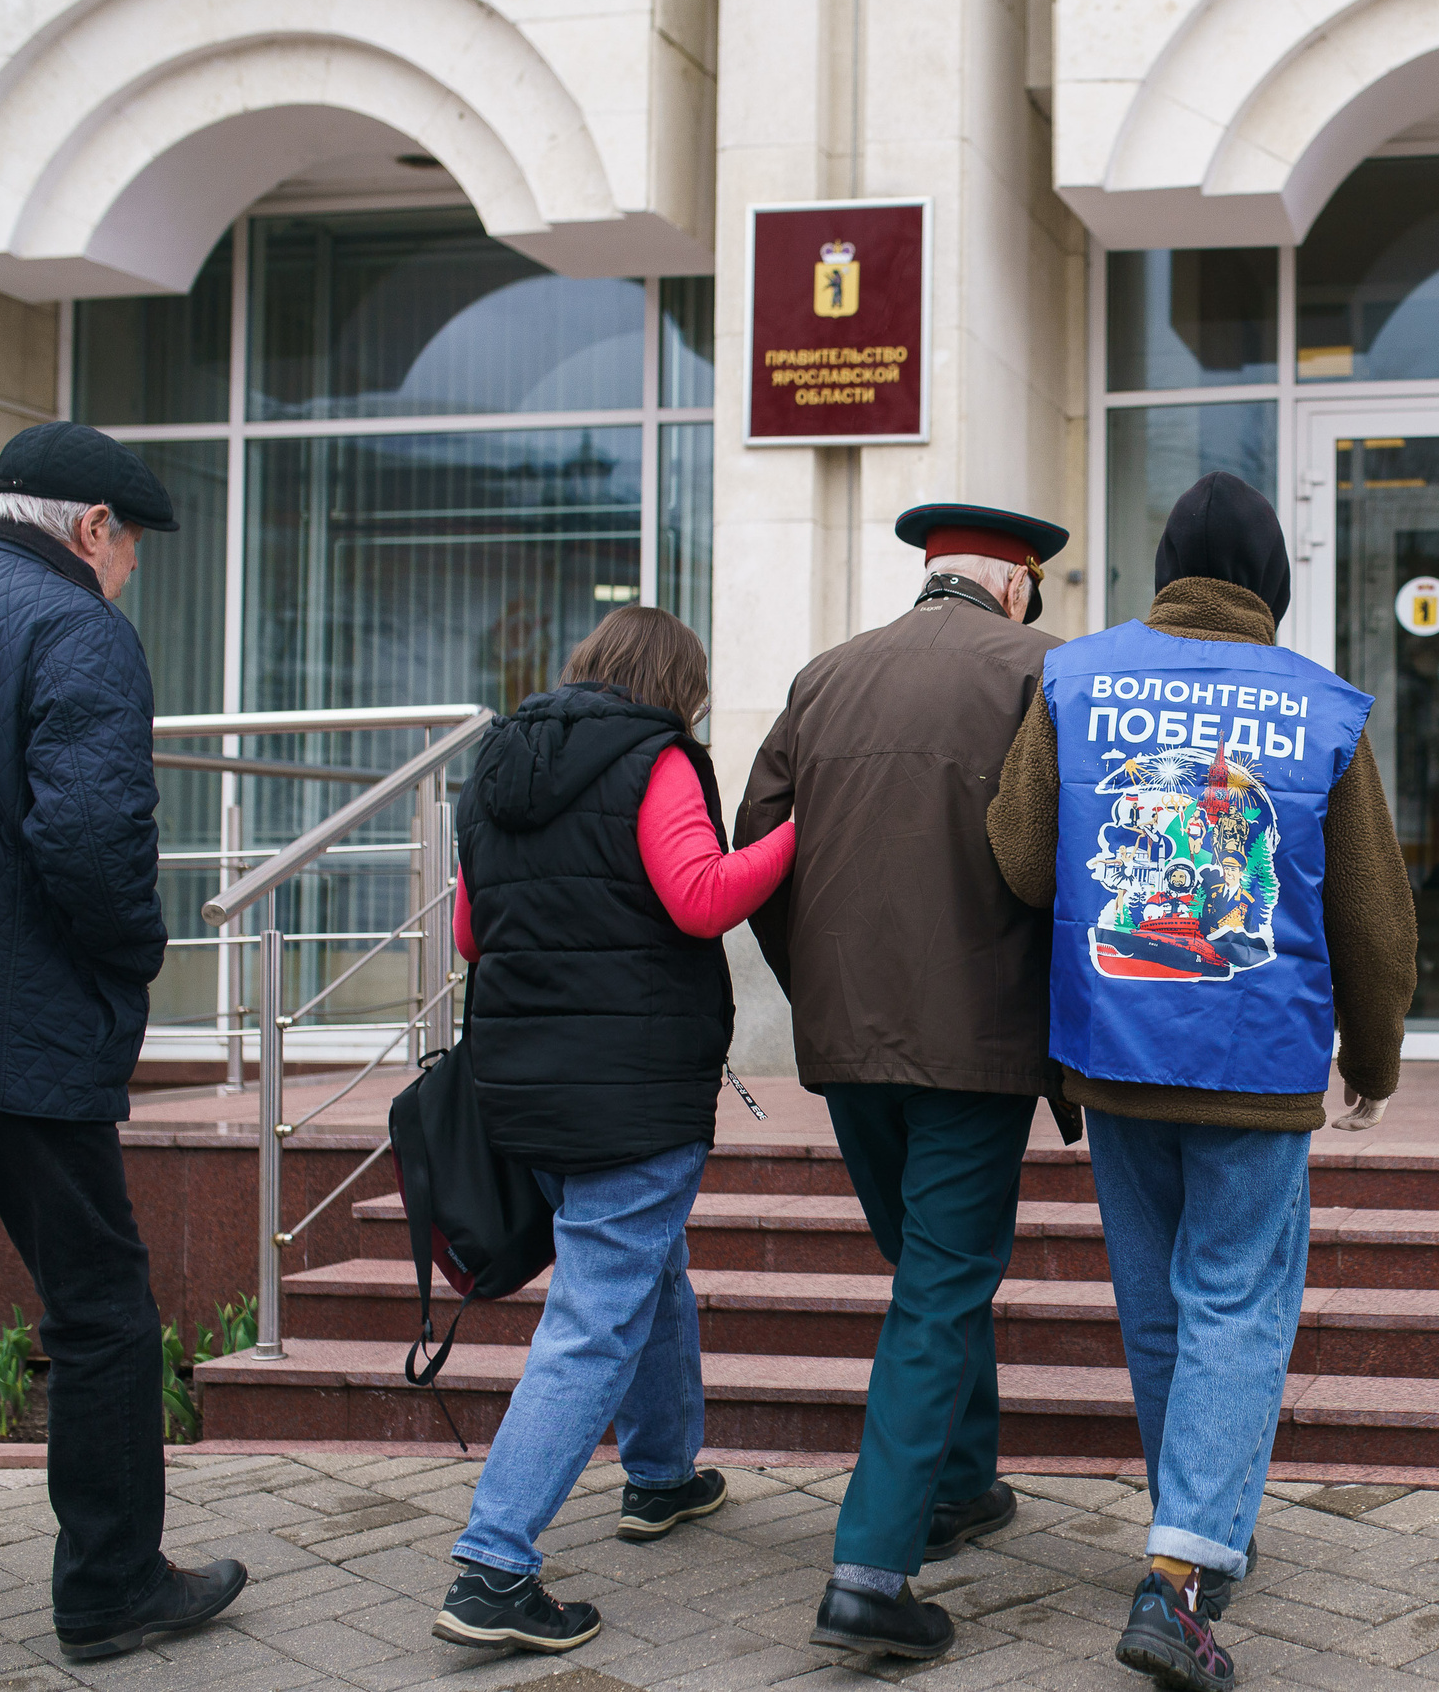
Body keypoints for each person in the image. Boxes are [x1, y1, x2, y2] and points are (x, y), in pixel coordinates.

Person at [988, 471, 1416, 1692]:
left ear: (1163, 566)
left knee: (1162, 1306)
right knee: (1237, 1299)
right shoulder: (1322, 708)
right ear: (1272, 584)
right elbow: (1376, 923)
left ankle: (1200, 1521)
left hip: (1116, 1050)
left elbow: (1019, 861)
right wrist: (1372, 1065)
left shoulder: (1073, 677)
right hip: (1256, 1058)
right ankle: (1179, 1579)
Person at [734, 504, 1072, 1662]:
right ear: (1015, 587)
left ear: (935, 578)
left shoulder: (825, 675)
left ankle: (961, 1482)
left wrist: (815, 992)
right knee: (937, 1282)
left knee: (927, 1261)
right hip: (976, 1044)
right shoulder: (1044, 669)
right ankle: (871, 1573)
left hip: (848, 1041)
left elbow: (758, 847)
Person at [0, 423, 248, 1667]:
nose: (131, 575)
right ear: (91, 530)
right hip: (20, 1037)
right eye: (133, 550)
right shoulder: (78, 631)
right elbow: (92, 838)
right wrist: (129, 958)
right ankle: (112, 1587)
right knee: (104, 1312)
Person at [434, 606, 795, 1654]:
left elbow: (467, 929)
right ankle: (494, 1565)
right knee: (595, 1316)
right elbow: (698, 898)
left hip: (521, 1087)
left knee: (648, 1269)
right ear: (673, 683)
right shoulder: (657, 759)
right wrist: (797, 835)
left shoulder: (498, 759)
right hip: (629, 1091)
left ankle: (662, 1477)